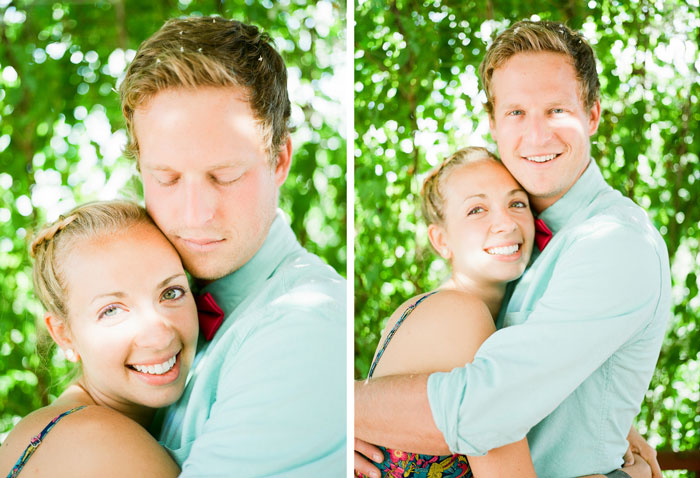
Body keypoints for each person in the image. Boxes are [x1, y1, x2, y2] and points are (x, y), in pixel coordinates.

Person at [355, 20, 670, 478]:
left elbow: (486, 410)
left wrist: (349, 405)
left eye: (557, 110)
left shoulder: (615, 242)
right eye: (517, 113)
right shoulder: (507, 252)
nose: (538, 135)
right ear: (494, 123)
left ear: (593, 116)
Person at [119, 16, 346, 476]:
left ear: (279, 159)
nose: (195, 214)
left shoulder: (305, 326)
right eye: (167, 178)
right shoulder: (131, 306)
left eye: (225, 176)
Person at [367, 146, 537, 477]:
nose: (505, 222)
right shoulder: (457, 315)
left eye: (517, 203)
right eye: (477, 210)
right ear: (441, 240)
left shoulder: (430, 309)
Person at [0, 200, 198, 477]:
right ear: (63, 335)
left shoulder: (43, 431)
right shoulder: (110, 447)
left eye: (171, 292)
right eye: (112, 311)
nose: (159, 336)